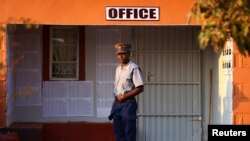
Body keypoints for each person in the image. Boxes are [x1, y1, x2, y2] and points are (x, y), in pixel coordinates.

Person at [109, 43, 144, 141]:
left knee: (129, 132)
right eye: (119, 54)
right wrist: (113, 106)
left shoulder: (133, 68)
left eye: (123, 53)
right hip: (117, 104)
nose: (121, 56)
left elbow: (140, 88)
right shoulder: (118, 69)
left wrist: (125, 97)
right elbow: (117, 89)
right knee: (118, 132)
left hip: (128, 104)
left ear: (128, 53)